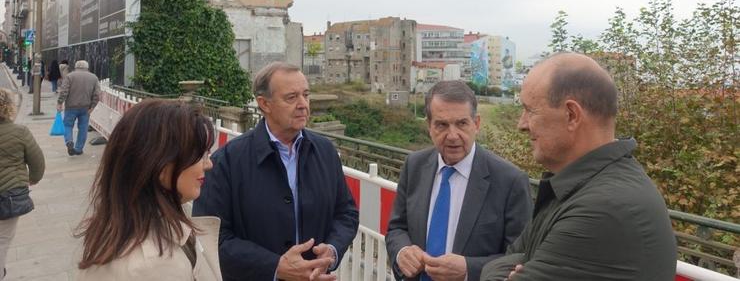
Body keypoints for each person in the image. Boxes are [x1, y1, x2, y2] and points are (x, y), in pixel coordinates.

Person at [481, 53, 677, 281]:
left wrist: (515, 265)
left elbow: (501, 268)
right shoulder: (579, 187)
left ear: (572, 115)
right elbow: (502, 263)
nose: (521, 124)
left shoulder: (603, 208)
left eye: (530, 110)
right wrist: (507, 267)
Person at [193, 62, 359, 281]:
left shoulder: (325, 151)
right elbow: (211, 235)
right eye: (291, 98)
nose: (303, 105)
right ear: (264, 104)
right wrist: (275, 266)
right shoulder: (227, 161)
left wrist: (332, 250)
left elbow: (346, 213)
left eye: (306, 95)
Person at [386, 80, 532, 281]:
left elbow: (520, 257)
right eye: (442, 125)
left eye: (462, 123)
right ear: (429, 126)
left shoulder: (510, 181)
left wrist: (468, 270)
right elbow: (397, 228)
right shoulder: (414, 165)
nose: (453, 135)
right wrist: (402, 252)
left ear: (476, 124)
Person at [76, 99, 222, 280]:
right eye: (200, 155)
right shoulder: (156, 265)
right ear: (160, 165)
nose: (209, 164)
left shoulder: (125, 225)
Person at [0, 88, 45, 281]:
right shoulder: (20, 132)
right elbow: (37, 163)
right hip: (9, 196)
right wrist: (33, 178)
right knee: (2, 240)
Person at [57, 60, 100, 156]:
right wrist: (92, 106)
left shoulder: (70, 76)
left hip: (71, 107)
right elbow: (97, 94)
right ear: (87, 67)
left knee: (67, 125)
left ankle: (69, 141)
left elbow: (64, 91)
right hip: (86, 108)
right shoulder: (93, 77)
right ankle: (78, 149)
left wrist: (60, 103)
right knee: (83, 128)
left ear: (76, 67)